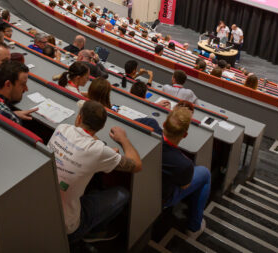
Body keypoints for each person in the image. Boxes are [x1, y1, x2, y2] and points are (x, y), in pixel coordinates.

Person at [48, 100, 142, 245]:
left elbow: (80, 140)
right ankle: (93, 232)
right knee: (123, 193)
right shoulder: (99, 151)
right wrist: (123, 139)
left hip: (45, 210)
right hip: (68, 227)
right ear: (102, 127)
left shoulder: (61, 128)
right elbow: (136, 165)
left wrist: (104, 151)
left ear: (79, 118)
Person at [135, 105, 210, 236]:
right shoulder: (184, 164)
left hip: (137, 186)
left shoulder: (148, 123)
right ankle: (194, 226)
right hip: (161, 198)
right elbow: (185, 185)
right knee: (205, 173)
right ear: (185, 135)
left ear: (164, 123)